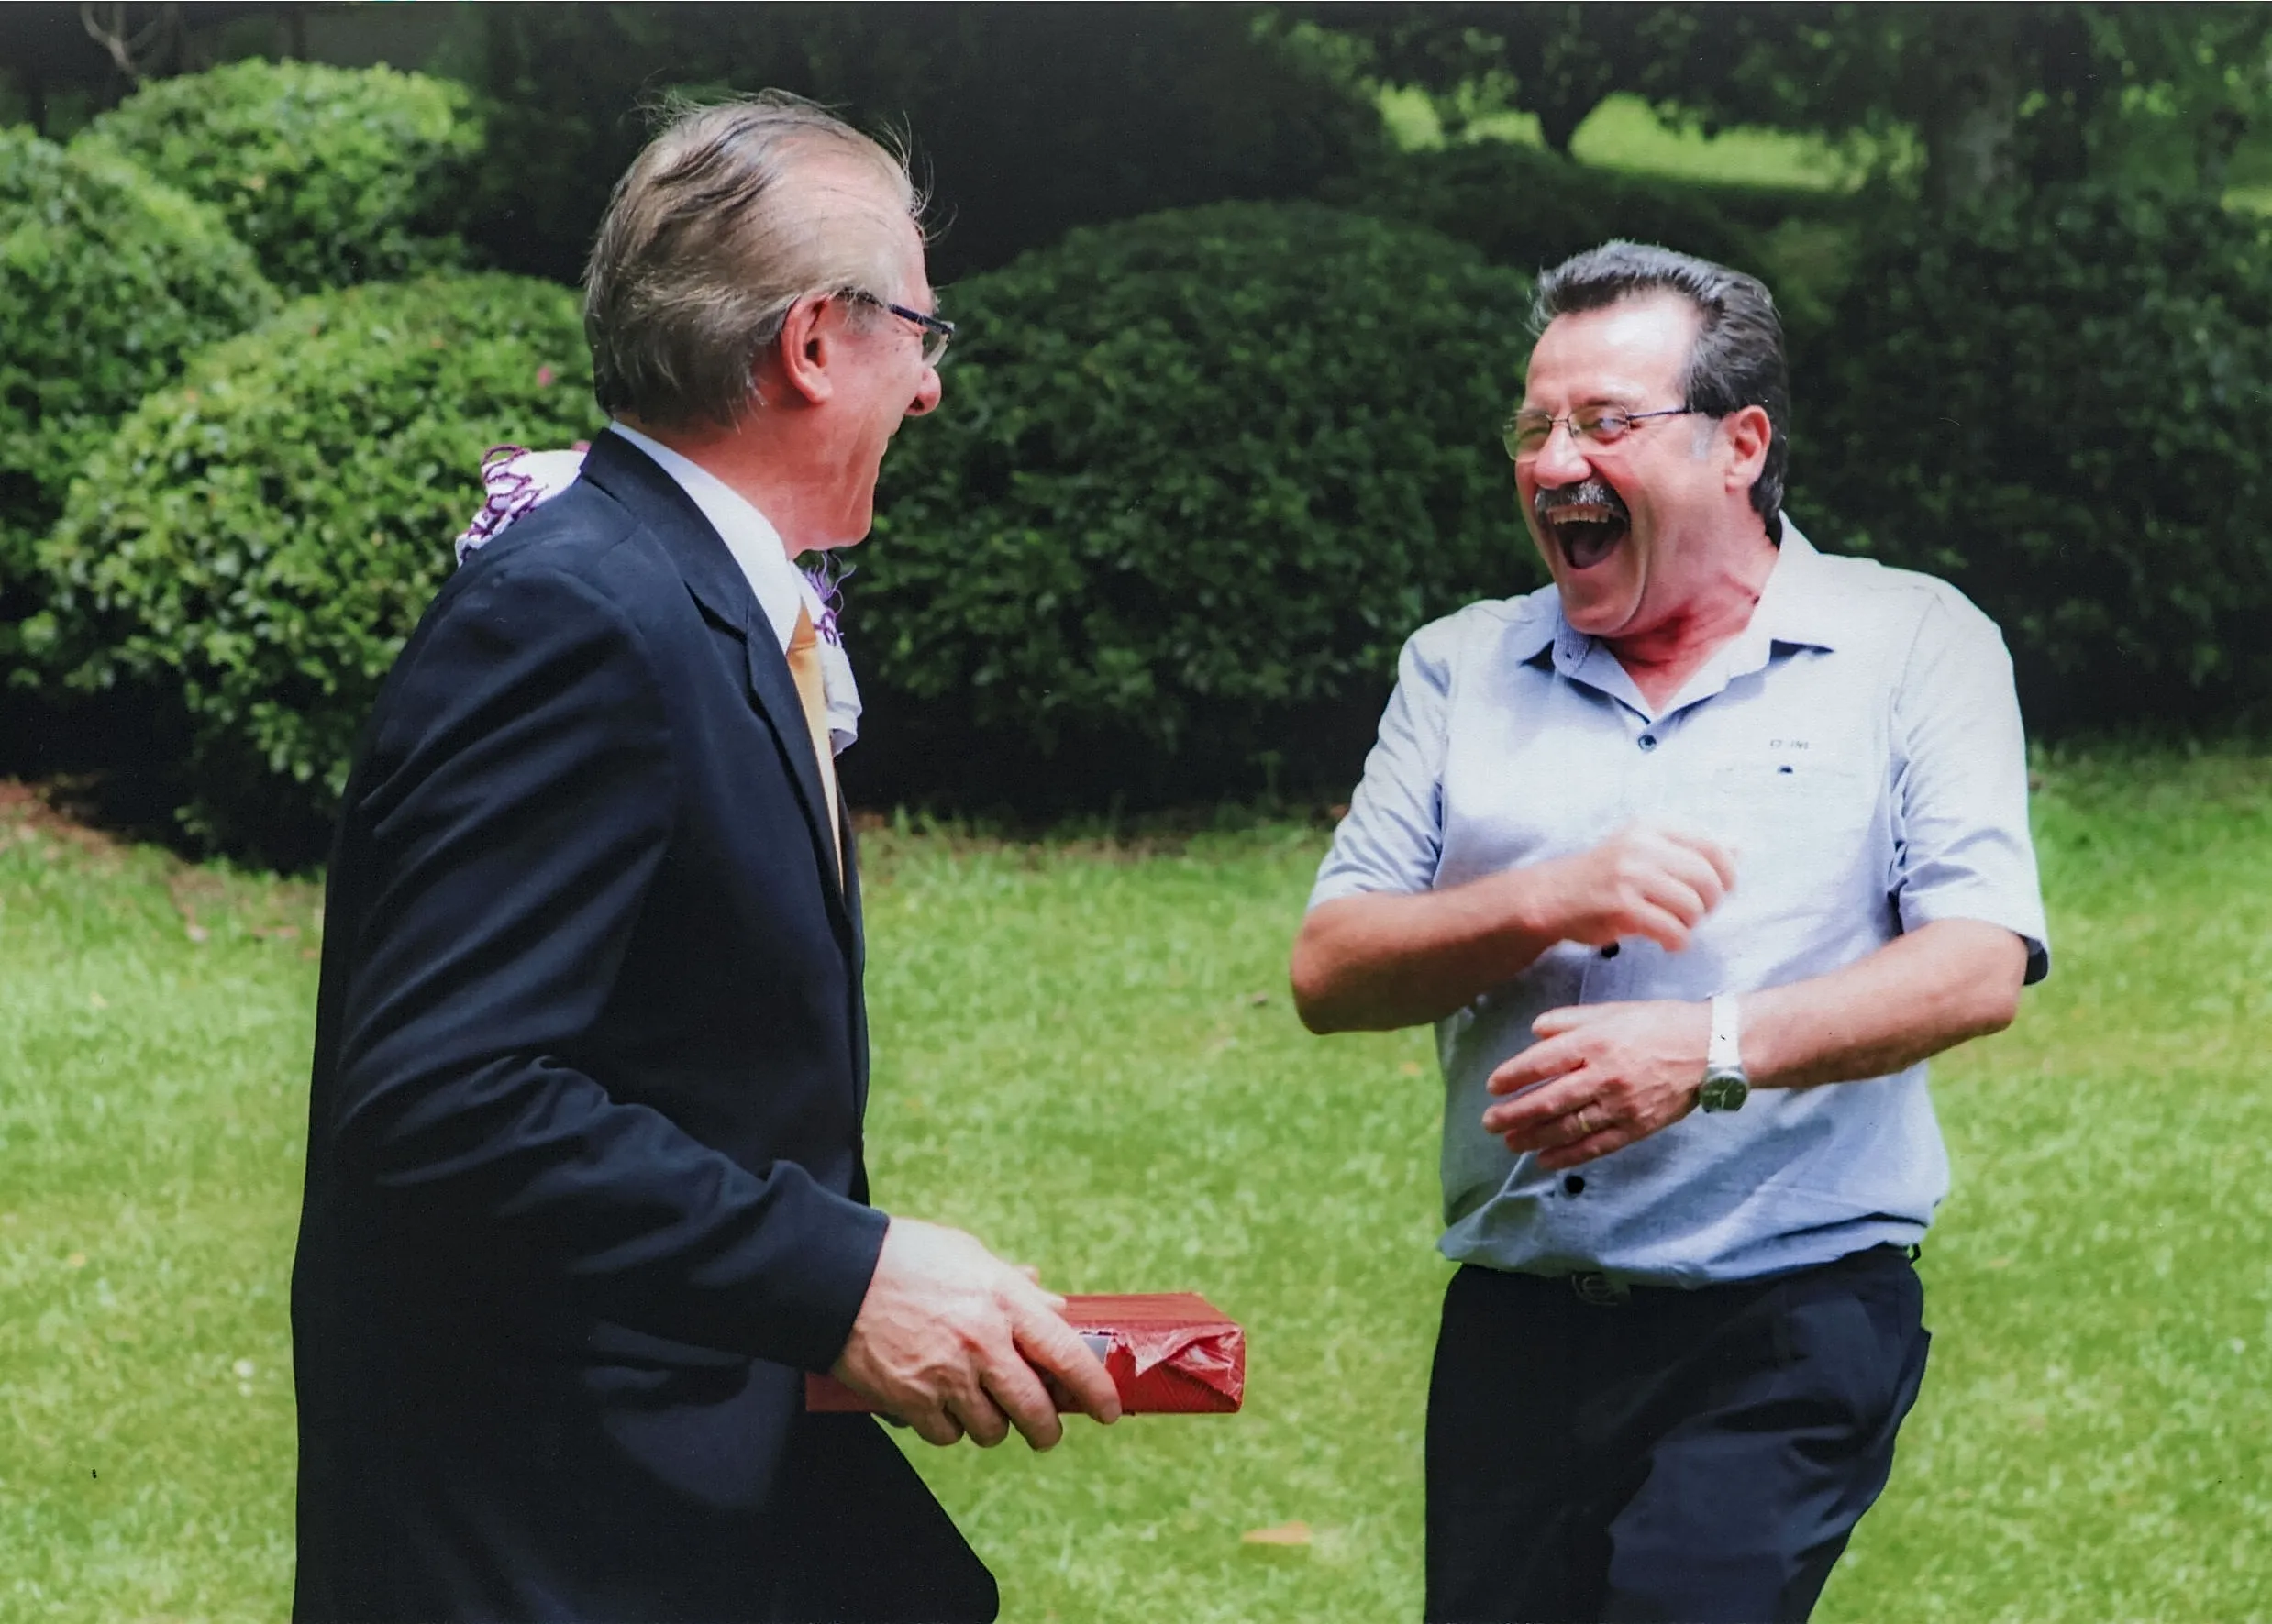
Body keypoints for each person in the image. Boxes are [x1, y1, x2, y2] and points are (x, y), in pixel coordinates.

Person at [290, 94, 1118, 1624]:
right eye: (921, 332)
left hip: (690, 1488)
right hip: (556, 1538)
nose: (930, 388)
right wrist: (839, 1275)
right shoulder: (581, 617)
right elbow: (442, 1100)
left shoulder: (689, 594)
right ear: (815, 344)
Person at [1290, 241, 2048, 1624]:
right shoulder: (1461, 667)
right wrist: (1545, 897)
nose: (1555, 459)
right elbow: (1330, 970)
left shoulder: (1912, 643)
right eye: (1536, 426)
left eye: (1605, 423)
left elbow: (1979, 957)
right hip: (1517, 1327)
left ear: (1739, 444)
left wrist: (1706, 1048)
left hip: (1787, 1316)